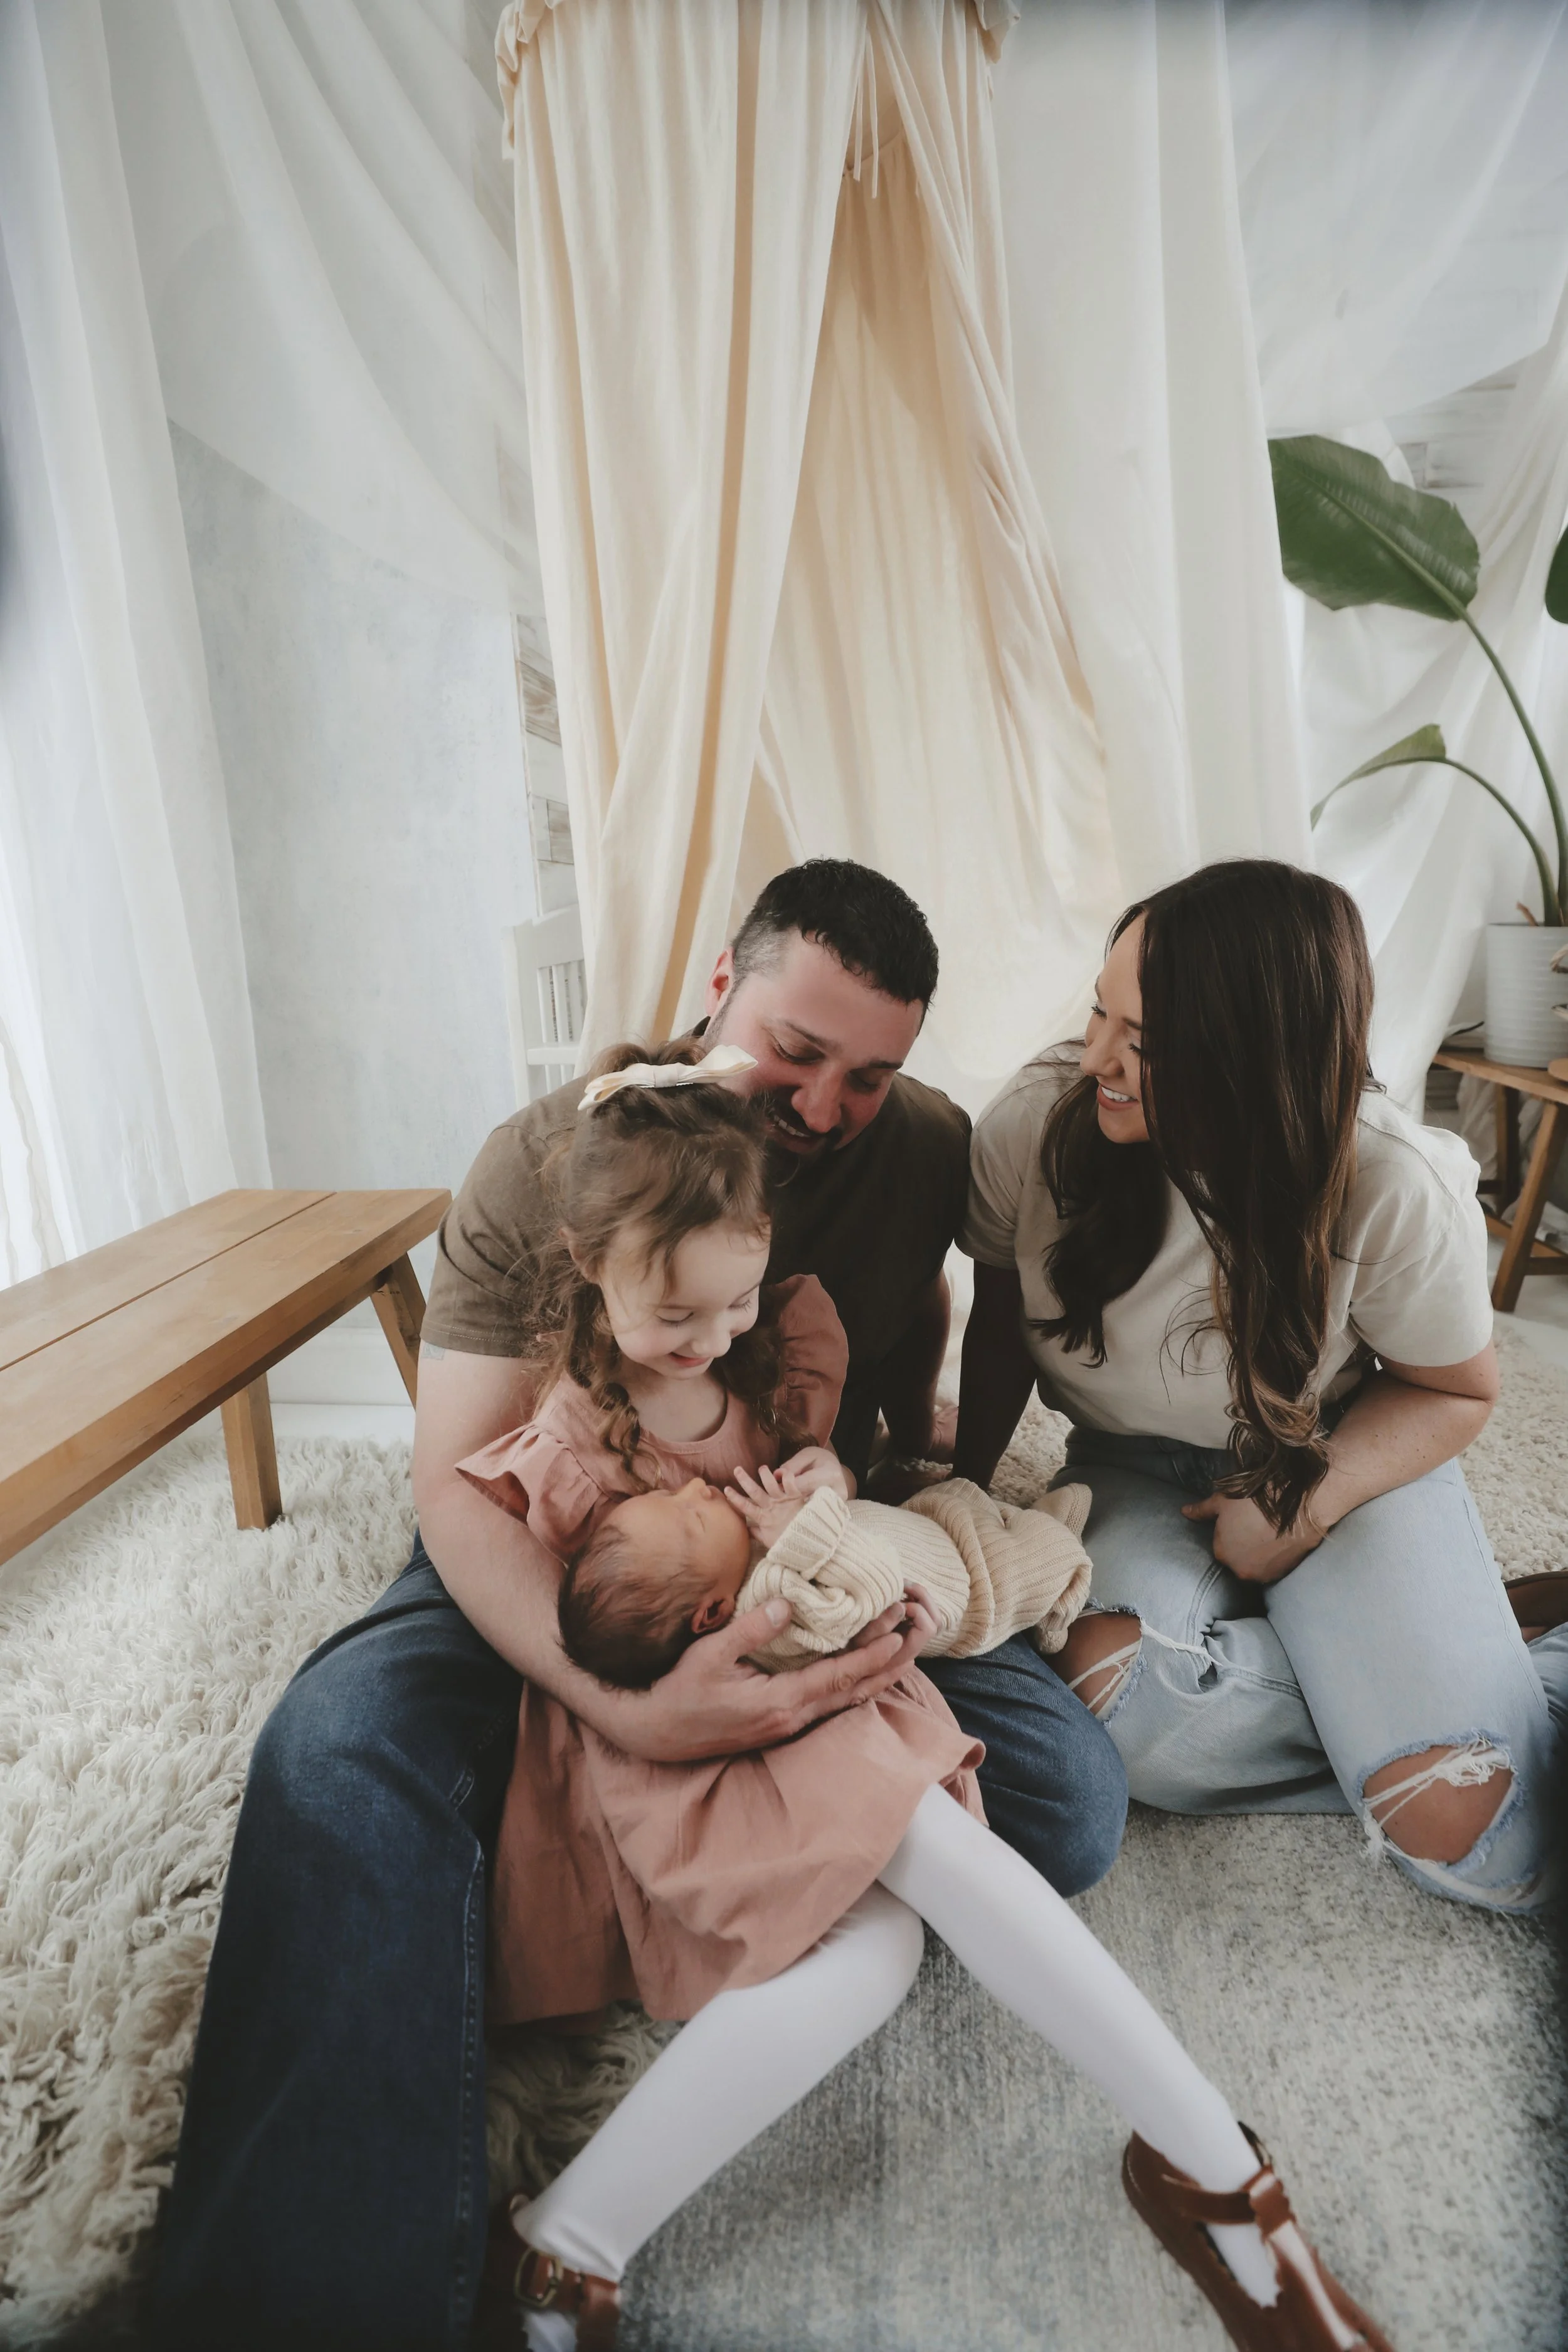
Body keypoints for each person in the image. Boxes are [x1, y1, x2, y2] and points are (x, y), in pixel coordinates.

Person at [154, 859, 1125, 2351]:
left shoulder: (922, 1145)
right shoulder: (548, 1157)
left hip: (786, 1550)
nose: (819, 1102)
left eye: (865, 1075)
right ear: (721, 985)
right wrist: (631, 1705)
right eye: (794, 1052)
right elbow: (453, 1490)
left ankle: (651, 1856)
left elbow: (924, 1305)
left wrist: (925, 1471)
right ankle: (313, 2304)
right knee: (338, 1761)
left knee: (1060, 1801)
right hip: (555, 1544)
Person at [454, 1051, 1392, 2352]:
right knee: (937, 1846)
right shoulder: (569, 1436)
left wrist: (820, 1501)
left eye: (730, 1306)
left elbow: (836, 1477)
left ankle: (560, 2245)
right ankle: (1216, 2179)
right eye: (674, 1319)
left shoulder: (768, 1361)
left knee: (882, 1952)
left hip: (835, 1703)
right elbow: (576, 1622)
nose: (709, 1338)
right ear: (587, 1265)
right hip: (700, 1740)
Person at [953, 858, 1562, 1913]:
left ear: (1249, 1054)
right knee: (1105, 1686)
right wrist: (962, 1484)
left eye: (1142, 1041)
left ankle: (1482, 1691)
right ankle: (1412, 1698)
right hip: (1131, 1468)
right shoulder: (1033, 1129)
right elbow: (1000, 1329)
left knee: (1480, 1837)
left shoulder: (1388, 1184)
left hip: (1333, 1448)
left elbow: (1457, 1389)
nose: (1098, 1055)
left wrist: (1307, 1501)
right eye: (1100, 1012)